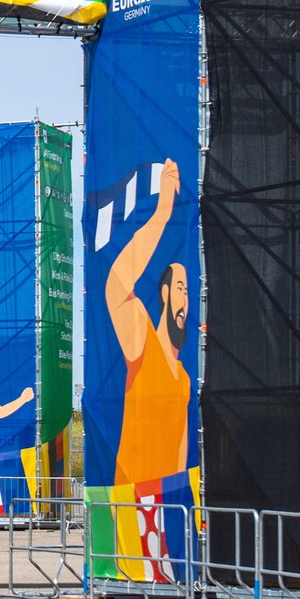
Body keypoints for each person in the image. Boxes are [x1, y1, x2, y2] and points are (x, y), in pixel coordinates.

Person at [106, 157, 190, 486]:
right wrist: (163, 212)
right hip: (135, 507)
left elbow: (181, 451)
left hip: (167, 509)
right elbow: (117, 284)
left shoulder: (183, 378)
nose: (185, 302)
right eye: (180, 289)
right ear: (165, 293)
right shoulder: (143, 339)